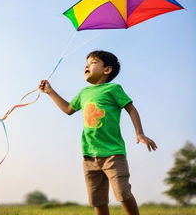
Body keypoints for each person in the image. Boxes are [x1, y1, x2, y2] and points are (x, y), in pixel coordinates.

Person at [38, 50, 157, 215]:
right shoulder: (83, 93)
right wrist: (50, 91)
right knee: (97, 200)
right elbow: (67, 109)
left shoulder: (113, 88)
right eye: (86, 64)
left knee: (122, 193)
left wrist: (139, 133)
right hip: (90, 155)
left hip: (113, 153)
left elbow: (131, 108)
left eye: (92, 63)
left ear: (107, 70)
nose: (86, 66)